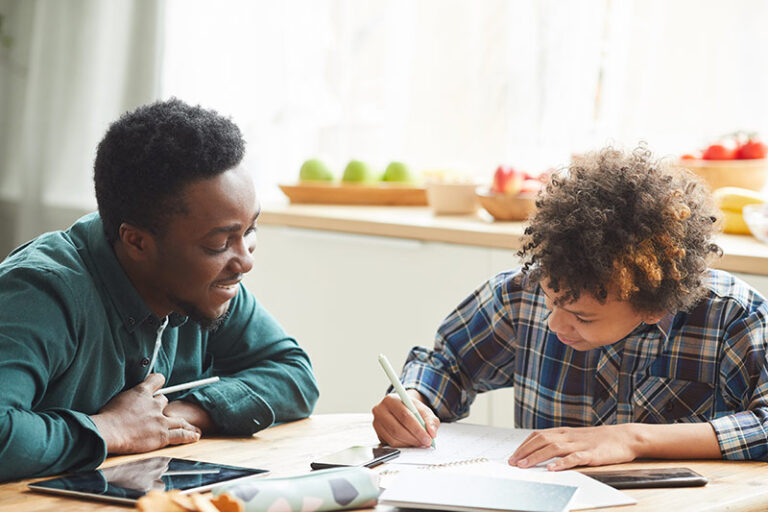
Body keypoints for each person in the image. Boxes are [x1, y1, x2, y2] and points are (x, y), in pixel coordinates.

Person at [372, 145, 768, 470]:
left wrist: (632, 437)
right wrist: (412, 398)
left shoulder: (732, 317)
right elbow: (447, 366)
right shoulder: (520, 295)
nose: (555, 322)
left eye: (583, 316)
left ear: (652, 306)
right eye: (551, 298)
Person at [0, 99, 319, 481]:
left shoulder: (208, 285)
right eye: (219, 244)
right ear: (137, 242)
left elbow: (293, 374)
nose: (245, 261)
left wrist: (179, 412)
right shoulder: (40, 293)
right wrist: (112, 429)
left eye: (249, 231)